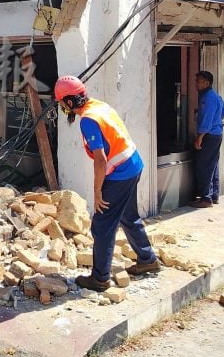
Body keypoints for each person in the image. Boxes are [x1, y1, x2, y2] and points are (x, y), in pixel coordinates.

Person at [54, 75, 160, 292]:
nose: (63, 108)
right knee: (129, 216)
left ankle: (100, 278)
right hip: (133, 164)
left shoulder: (88, 120)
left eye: (62, 103)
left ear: (70, 102)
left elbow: (100, 160)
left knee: (102, 225)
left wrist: (98, 191)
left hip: (119, 173)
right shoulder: (99, 106)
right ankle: (147, 258)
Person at [192, 70, 224, 208]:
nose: (196, 84)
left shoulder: (208, 98)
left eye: (199, 81)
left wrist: (200, 136)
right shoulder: (214, 96)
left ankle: (206, 198)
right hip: (216, 133)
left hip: (209, 136)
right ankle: (214, 195)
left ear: (207, 83)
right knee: (213, 165)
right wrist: (217, 121)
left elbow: (207, 119)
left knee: (204, 165)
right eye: (196, 81)